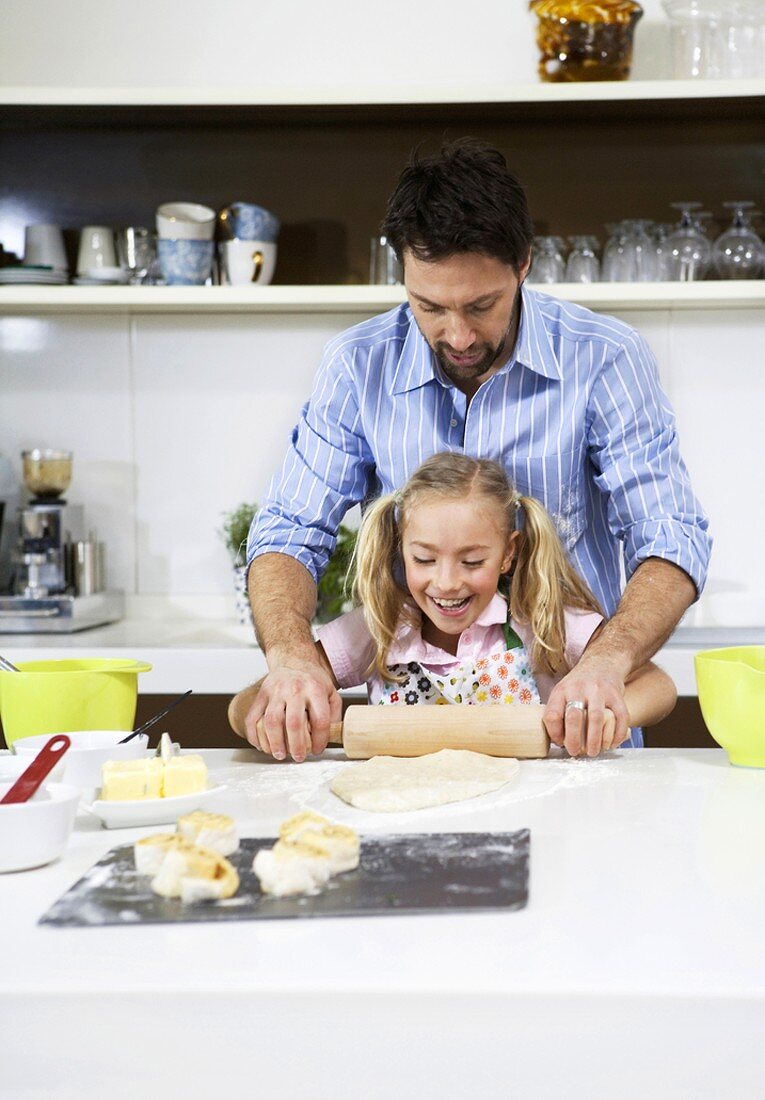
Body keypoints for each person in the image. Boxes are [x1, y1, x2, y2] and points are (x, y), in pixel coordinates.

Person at [241, 139, 710, 762]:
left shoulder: (604, 357)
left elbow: (672, 538)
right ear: (401, 272)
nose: (457, 335)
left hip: (579, 752)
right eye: (428, 306)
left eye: (481, 305)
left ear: (524, 264)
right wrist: (292, 659)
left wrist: (602, 667)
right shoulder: (357, 365)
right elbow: (286, 533)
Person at [229, 454, 676, 749]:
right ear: (400, 548)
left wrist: (602, 715)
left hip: (532, 812)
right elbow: (248, 703)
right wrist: (277, 709)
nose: (446, 583)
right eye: (424, 559)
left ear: (509, 554)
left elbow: (659, 687)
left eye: (472, 561)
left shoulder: (539, 621)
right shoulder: (380, 628)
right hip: (403, 819)